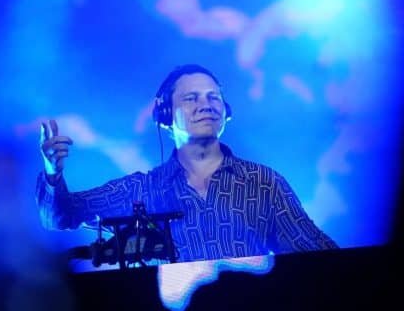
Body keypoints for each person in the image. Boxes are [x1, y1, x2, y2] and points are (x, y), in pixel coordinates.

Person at [35, 64, 338, 262]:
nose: (206, 105)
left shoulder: (263, 183)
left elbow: (322, 257)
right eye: (191, 98)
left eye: (213, 97)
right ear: (166, 115)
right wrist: (52, 174)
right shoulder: (142, 189)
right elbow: (60, 217)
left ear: (226, 111)